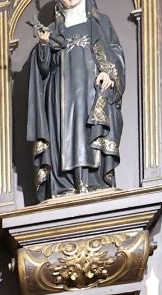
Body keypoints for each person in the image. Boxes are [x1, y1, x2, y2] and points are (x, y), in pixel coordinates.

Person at [23, 0, 126, 199]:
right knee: (65, 137)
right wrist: (44, 46)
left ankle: (94, 182)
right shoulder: (52, 30)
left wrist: (109, 74)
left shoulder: (99, 22)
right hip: (61, 99)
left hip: (91, 94)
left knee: (89, 135)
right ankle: (65, 185)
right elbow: (44, 71)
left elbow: (115, 53)